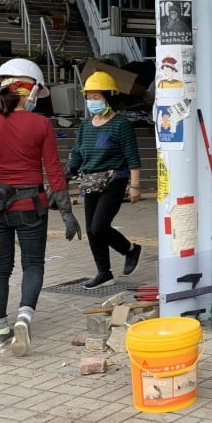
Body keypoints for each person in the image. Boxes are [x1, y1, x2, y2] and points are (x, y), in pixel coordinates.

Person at [0, 58, 81, 356]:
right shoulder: (40, 124)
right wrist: (67, 213)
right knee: (32, 264)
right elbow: (54, 171)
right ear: (28, 92)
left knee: (1, 267)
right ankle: (24, 317)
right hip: (30, 206)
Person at [65, 71, 143, 290]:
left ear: (109, 97)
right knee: (91, 229)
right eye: (89, 97)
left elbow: (133, 158)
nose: (92, 101)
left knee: (99, 226)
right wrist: (65, 174)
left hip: (114, 180)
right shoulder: (86, 125)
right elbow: (77, 154)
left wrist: (135, 185)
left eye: (96, 97)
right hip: (90, 181)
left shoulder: (121, 125)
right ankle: (104, 273)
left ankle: (130, 249)